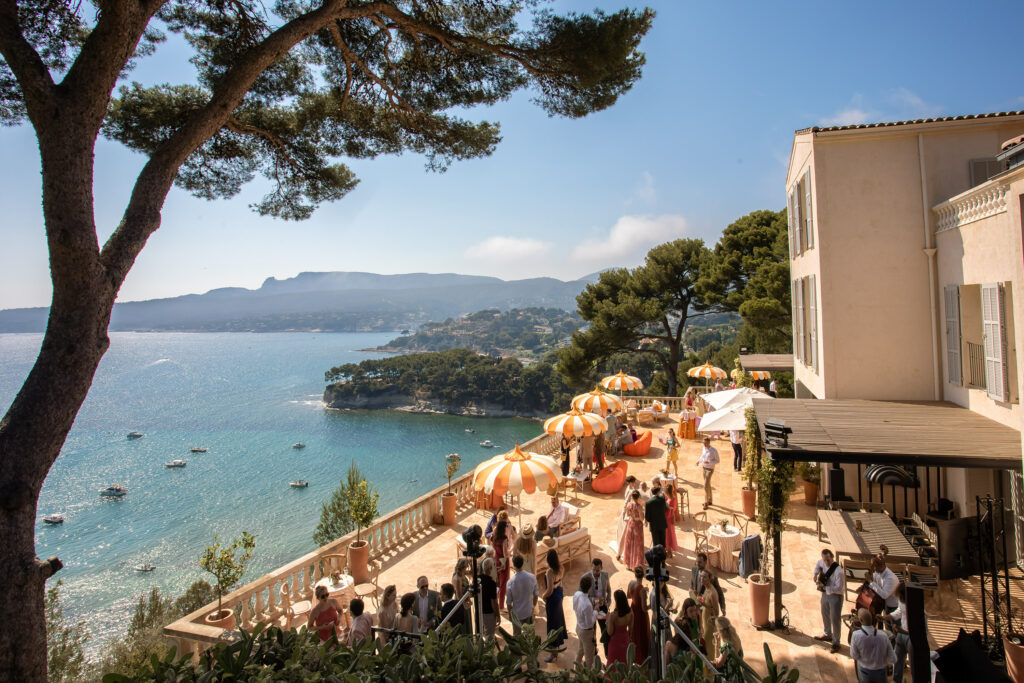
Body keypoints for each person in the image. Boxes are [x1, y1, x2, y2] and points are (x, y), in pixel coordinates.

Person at [881, 583, 921, 683]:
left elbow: (920, 632)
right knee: (897, 659)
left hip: (912, 639)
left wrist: (902, 631)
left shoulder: (919, 610)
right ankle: (896, 680)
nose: (900, 599)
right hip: (901, 634)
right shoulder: (902, 602)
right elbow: (900, 611)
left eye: (901, 597)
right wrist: (886, 617)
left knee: (914, 665)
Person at [850, 608, 895, 683]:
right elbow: (893, 658)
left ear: (860, 620)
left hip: (865, 672)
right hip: (881, 672)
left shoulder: (856, 635)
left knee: (858, 661)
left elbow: (854, 655)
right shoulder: (884, 635)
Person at [813, 548, 844, 653]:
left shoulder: (839, 572)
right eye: (825, 560)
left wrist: (826, 588)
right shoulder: (821, 561)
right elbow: (818, 565)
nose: (826, 562)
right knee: (824, 612)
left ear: (832, 558)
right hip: (825, 593)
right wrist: (815, 574)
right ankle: (827, 634)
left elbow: (839, 588)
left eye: (828, 560)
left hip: (835, 596)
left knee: (835, 618)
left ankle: (836, 642)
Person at [542, 548, 566, 662]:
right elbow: (560, 583)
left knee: (552, 624)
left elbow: (549, 590)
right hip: (559, 594)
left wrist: (543, 596)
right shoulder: (561, 567)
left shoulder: (549, 572)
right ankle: (556, 648)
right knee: (558, 621)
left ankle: (552, 655)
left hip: (552, 598)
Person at [505, 554, 538, 635]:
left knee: (517, 637)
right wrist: (533, 606)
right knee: (529, 636)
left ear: (513, 565)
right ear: (522, 563)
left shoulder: (510, 582)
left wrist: (510, 615)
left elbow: (509, 603)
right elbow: (536, 595)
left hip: (517, 614)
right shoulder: (532, 577)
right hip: (528, 611)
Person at [574, 573, 600, 668]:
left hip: (579, 627)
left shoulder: (576, 595)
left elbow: (575, 608)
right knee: (589, 658)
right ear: (589, 588)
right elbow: (590, 623)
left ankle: (576, 669)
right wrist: (596, 611)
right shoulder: (587, 605)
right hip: (586, 632)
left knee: (580, 650)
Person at [587, 558, 612, 657]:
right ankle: (594, 651)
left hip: (602, 609)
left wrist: (608, 602)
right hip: (591, 609)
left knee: (604, 630)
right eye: (593, 569)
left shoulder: (605, 575)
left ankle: (607, 654)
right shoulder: (587, 577)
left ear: (601, 568)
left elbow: (609, 590)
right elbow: (584, 596)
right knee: (592, 631)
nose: (595, 572)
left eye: (597, 570)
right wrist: (595, 601)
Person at [696, 570, 721, 660]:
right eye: (701, 576)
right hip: (705, 621)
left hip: (710, 625)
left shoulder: (713, 593)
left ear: (710, 579)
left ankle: (710, 669)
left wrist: (704, 605)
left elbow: (716, 612)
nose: (702, 579)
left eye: (704, 577)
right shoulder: (706, 588)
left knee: (708, 645)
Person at [627, 566, 650, 664]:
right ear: (643, 575)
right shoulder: (642, 590)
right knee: (641, 634)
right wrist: (652, 605)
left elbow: (628, 595)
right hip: (640, 615)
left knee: (634, 632)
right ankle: (641, 657)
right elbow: (644, 608)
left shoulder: (631, 583)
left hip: (633, 610)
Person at [606, 589, 633, 668]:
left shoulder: (613, 615)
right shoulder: (631, 612)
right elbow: (631, 630)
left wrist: (608, 621)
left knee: (613, 666)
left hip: (615, 643)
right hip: (625, 640)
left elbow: (609, 632)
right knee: (625, 664)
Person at [615, 477, 640, 560]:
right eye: (634, 482)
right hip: (628, 513)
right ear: (631, 482)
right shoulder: (632, 491)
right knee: (624, 533)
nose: (635, 483)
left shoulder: (628, 488)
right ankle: (619, 553)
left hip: (625, 512)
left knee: (622, 531)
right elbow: (627, 502)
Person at [620, 490, 645, 569]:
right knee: (637, 544)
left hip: (631, 524)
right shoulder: (639, 506)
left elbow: (628, 514)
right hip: (637, 525)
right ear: (638, 497)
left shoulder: (629, 504)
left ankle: (628, 563)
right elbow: (642, 518)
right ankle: (636, 563)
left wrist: (633, 517)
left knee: (630, 543)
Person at [479, 557, 501, 638]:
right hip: (488, 613)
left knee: (480, 634)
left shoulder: (478, 579)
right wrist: (498, 615)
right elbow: (494, 602)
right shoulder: (491, 583)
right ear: (491, 568)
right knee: (489, 636)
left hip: (479, 611)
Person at [492, 520, 512, 608]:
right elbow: (505, 553)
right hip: (503, 561)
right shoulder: (504, 539)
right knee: (503, 584)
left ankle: (498, 603)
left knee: (497, 582)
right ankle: (501, 606)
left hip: (496, 559)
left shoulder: (494, 537)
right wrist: (511, 551)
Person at [696, 437, 719, 509]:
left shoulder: (713, 450)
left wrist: (709, 462)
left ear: (709, 443)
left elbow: (717, 460)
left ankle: (706, 503)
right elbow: (702, 456)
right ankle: (710, 500)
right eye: (703, 443)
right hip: (704, 468)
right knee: (708, 484)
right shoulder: (704, 448)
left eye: (705, 443)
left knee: (705, 486)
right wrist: (698, 461)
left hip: (710, 469)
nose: (704, 444)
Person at [645, 485, 668, 550]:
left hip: (654, 525)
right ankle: (663, 557)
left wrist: (652, 520)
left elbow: (647, 517)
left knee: (656, 543)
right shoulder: (662, 500)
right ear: (658, 492)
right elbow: (665, 510)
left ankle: (657, 558)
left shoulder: (648, 502)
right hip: (662, 523)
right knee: (662, 542)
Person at [452, 558, 473, 626]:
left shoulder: (461, 573)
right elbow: (459, 595)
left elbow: (472, 573)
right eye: (466, 566)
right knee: (464, 623)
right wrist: (465, 604)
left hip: (465, 600)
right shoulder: (458, 578)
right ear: (463, 567)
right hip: (461, 604)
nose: (467, 568)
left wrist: (471, 564)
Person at [664, 483, 679, 557]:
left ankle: (669, 552)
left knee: (668, 535)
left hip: (668, 519)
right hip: (670, 518)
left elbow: (670, 507)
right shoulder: (673, 497)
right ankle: (669, 551)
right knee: (670, 534)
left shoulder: (670, 500)